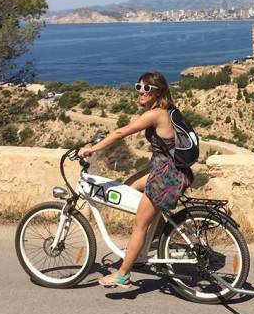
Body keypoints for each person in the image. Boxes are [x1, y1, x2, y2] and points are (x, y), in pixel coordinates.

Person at [78, 71, 192, 288]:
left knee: (139, 224)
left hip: (166, 175)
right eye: (138, 87)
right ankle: (141, 249)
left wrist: (92, 149)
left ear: (159, 92)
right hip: (165, 168)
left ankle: (123, 274)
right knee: (128, 188)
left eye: (147, 88)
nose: (141, 91)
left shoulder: (156, 113)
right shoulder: (165, 111)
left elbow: (122, 132)